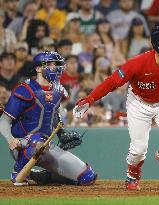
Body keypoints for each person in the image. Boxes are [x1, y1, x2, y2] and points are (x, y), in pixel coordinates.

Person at [73, 24, 159, 190]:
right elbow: (112, 82)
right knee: (139, 149)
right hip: (138, 102)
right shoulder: (137, 63)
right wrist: (90, 99)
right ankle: (132, 175)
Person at [0, 51, 97, 186]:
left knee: (87, 177)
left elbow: (52, 114)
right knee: (36, 141)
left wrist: (61, 134)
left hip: (46, 145)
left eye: (56, 64)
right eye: (50, 64)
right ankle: (19, 171)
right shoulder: (25, 89)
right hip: (23, 145)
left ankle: (41, 176)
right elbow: (4, 120)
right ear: (38, 68)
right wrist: (11, 139)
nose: (55, 67)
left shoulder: (58, 90)